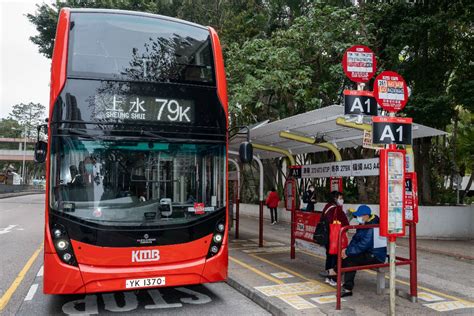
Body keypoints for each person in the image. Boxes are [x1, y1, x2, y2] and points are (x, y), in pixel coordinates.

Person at [339, 204, 387, 297]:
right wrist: (347, 250)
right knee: (345, 256)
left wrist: (348, 252)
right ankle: (335, 274)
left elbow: (363, 245)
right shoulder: (364, 224)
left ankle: (347, 288)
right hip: (367, 252)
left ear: (365, 216)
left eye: (359, 216)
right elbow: (355, 239)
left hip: (376, 256)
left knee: (350, 260)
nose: (357, 218)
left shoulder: (373, 227)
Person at [320, 191, 349, 286]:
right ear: (335, 199)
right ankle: (334, 279)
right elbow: (345, 223)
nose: (342, 200)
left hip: (327, 236)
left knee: (329, 256)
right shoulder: (337, 209)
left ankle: (328, 277)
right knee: (336, 258)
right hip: (335, 237)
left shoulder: (327, 206)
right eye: (340, 198)